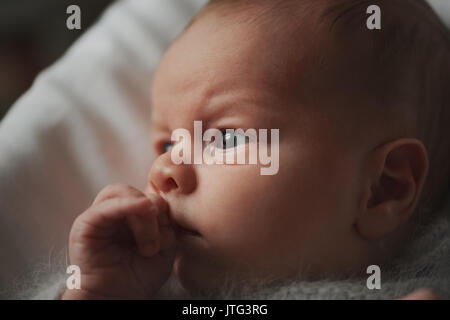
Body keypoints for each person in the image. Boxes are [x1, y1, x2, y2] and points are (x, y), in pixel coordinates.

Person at [59, 0, 450, 299]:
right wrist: (96, 290)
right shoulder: (146, 282)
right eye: (167, 143)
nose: (163, 169)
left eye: (226, 139)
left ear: (384, 188)